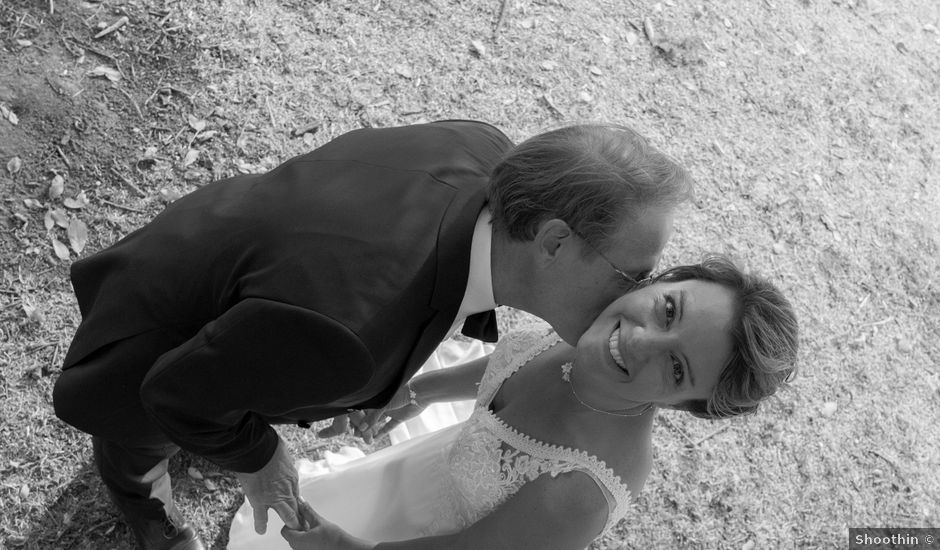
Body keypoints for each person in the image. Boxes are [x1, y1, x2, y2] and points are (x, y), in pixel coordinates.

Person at [52, 120, 693, 550]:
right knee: (140, 440)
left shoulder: (483, 149)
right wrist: (261, 458)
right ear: (554, 241)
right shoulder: (350, 338)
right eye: (631, 274)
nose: (633, 300)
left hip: (199, 246)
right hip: (148, 347)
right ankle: (138, 494)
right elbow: (176, 393)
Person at [225, 254, 799, 550]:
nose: (641, 340)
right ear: (662, 282)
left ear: (685, 405)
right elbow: (504, 363)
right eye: (668, 310)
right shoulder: (585, 329)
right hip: (419, 472)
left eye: (677, 368)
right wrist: (417, 389)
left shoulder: (580, 492)